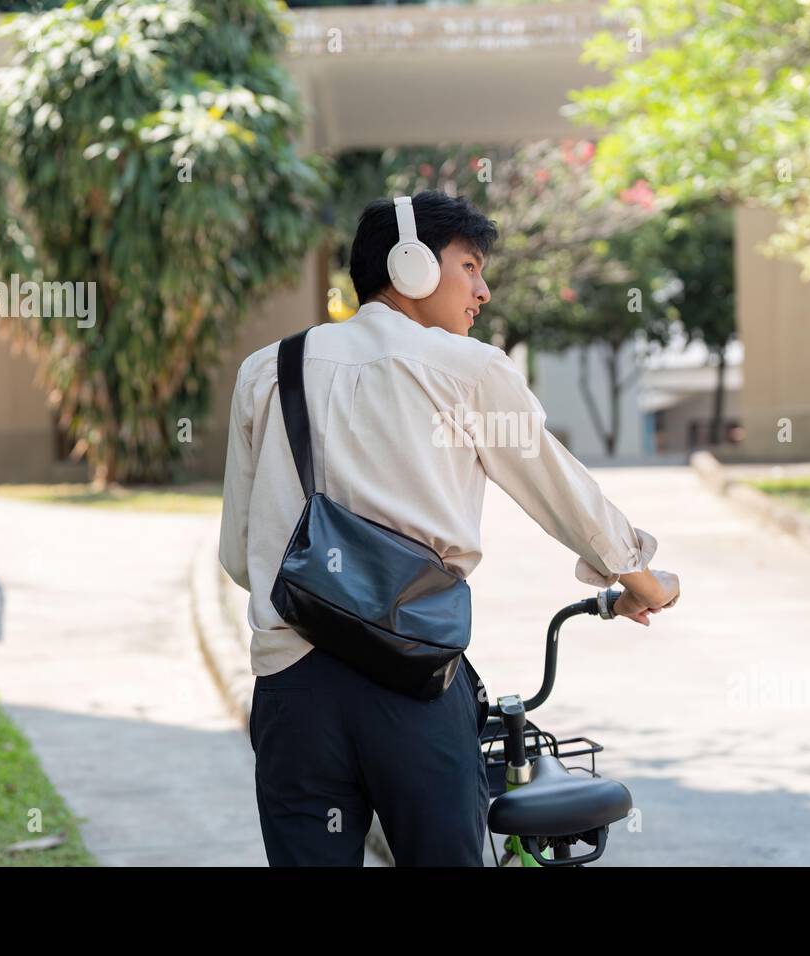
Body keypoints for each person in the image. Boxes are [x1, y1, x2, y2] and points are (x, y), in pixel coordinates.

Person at [219, 190, 680, 867]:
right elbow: (564, 493)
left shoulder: (268, 369)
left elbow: (238, 554)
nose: (483, 290)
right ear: (410, 265)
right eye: (469, 266)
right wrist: (642, 582)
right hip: (412, 683)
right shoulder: (468, 370)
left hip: (293, 689)